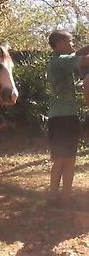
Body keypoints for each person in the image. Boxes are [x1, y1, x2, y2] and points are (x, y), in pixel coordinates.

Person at [47, 30, 89, 205]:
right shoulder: (62, 62)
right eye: (70, 41)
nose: (73, 45)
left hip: (63, 117)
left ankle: (59, 197)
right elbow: (85, 59)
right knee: (64, 160)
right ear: (60, 43)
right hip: (64, 118)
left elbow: (77, 53)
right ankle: (59, 197)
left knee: (65, 159)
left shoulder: (57, 60)